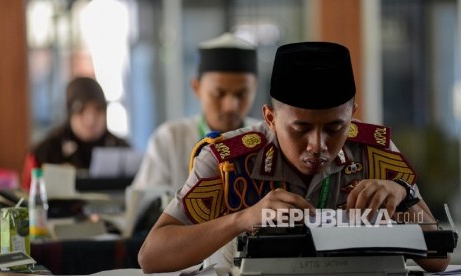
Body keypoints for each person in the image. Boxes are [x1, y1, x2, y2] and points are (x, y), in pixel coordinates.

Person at [137, 42, 450, 273]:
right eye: (301, 129)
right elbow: (151, 256)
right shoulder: (228, 162)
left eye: (334, 128)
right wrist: (242, 219)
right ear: (270, 118)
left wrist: (404, 194)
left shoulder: (375, 155)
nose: (318, 145)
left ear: (352, 117)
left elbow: (437, 260)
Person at [131, 33, 259, 193]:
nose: (230, 106)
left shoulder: (265, 138)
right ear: (196, 87)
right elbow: (145, 204)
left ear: (254, 89)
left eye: (242, 94)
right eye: (219, 94)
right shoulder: (170, 139)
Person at [22, 76, 130, 191]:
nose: (91, 119)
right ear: (69, 113)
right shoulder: (46, 152)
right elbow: (27, 196)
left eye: (98, 110)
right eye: (81, 110)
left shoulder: (123, 150)